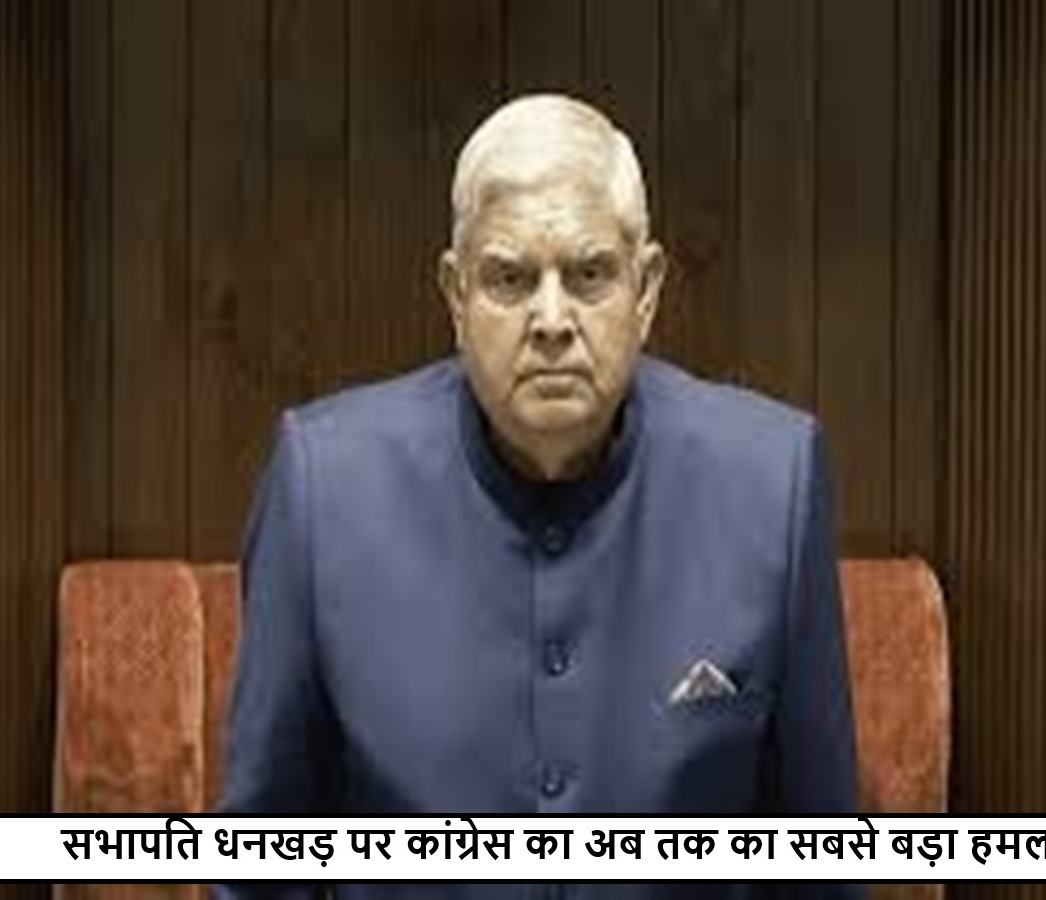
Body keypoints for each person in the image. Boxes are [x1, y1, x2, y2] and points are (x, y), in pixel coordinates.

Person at [217, 94, 858, 899]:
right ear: (456, 296)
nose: (551, 320)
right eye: (510, 279)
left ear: (647, 289)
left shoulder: (773, 483)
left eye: (589, 275)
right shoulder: (324, 488)